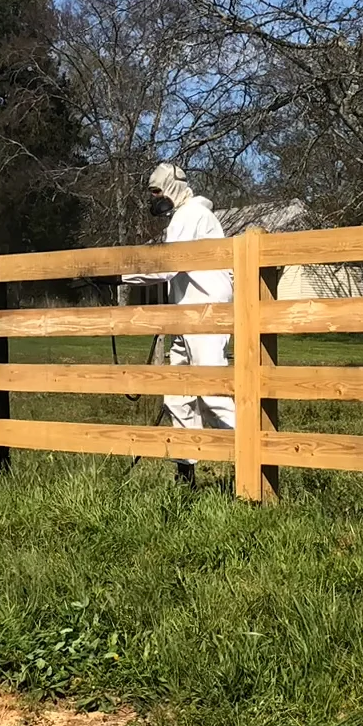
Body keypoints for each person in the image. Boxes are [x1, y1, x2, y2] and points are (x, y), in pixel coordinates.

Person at [122, 163, 232, 487]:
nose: (153, 199)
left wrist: (121, 273)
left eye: (156, 192)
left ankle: (254, 467)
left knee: (212, 395)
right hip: (189, 319)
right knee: (178, 397)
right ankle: (185, 475)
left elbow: (168, 267)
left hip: (205, 317)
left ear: (171, 187)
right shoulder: (185, 219)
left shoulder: (190, 216)